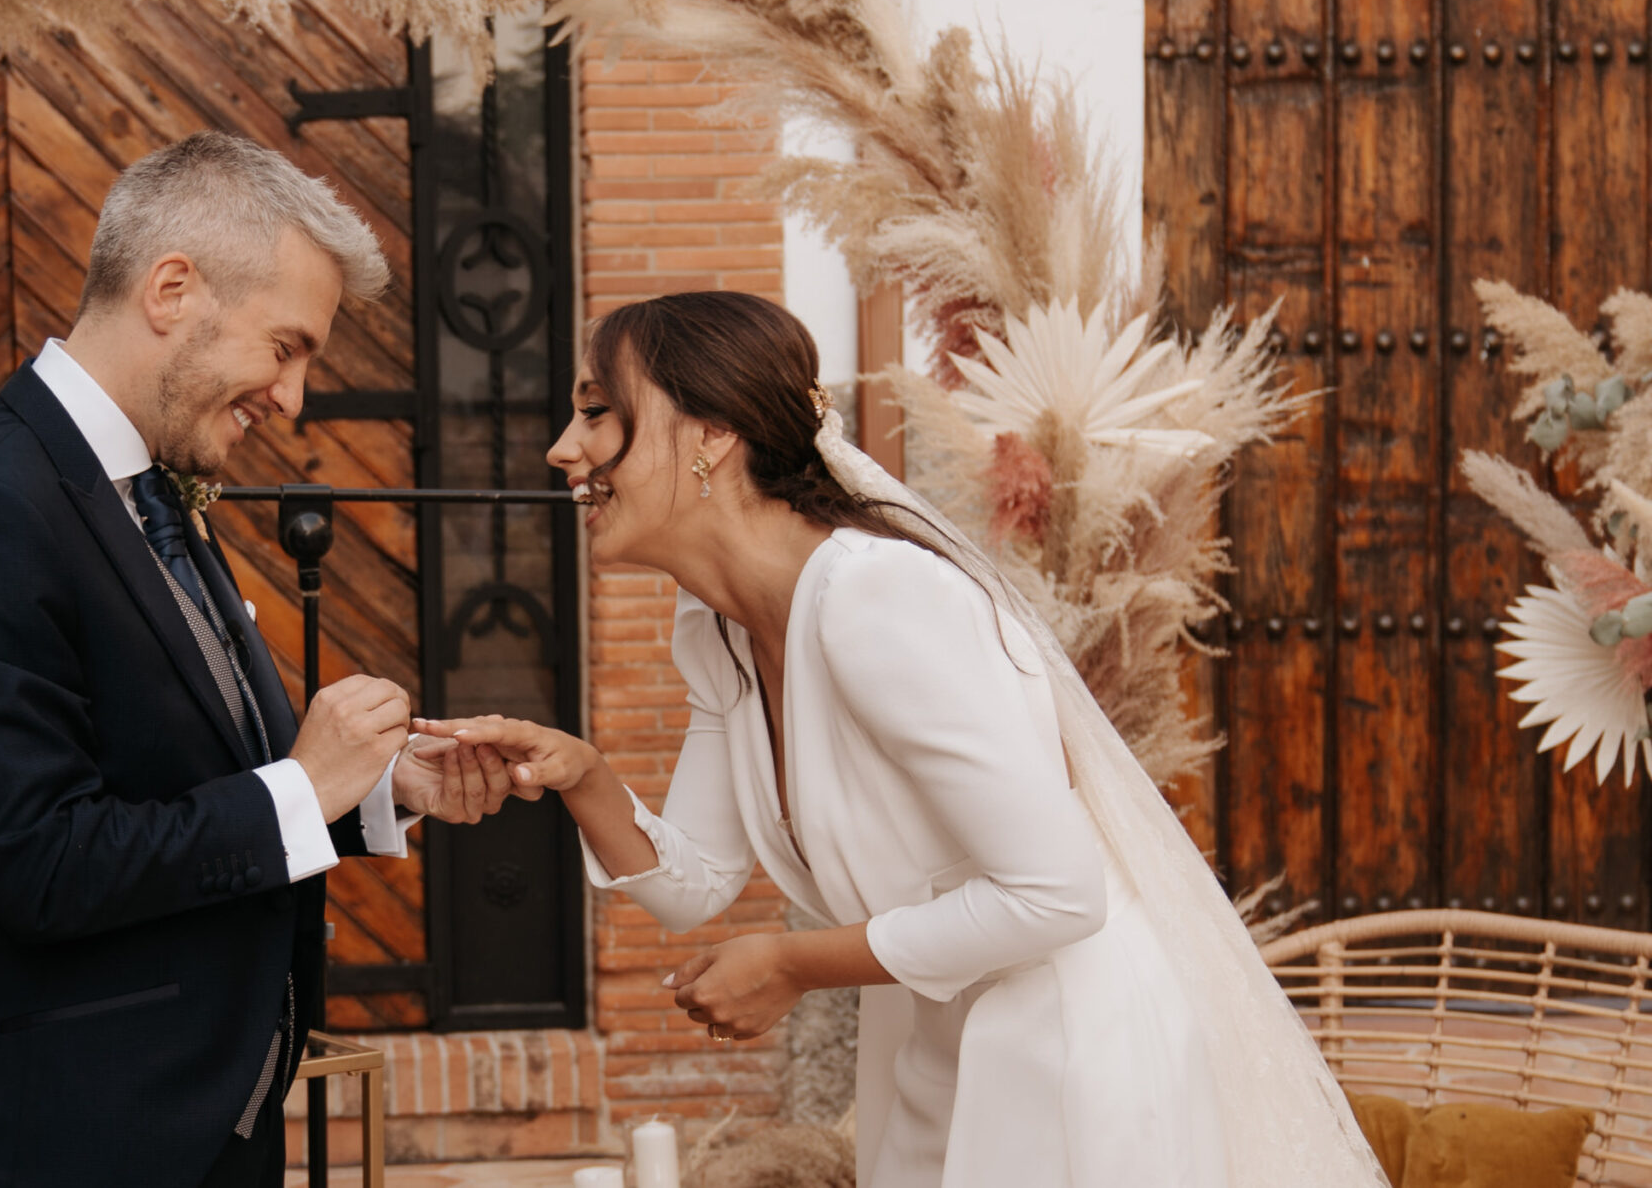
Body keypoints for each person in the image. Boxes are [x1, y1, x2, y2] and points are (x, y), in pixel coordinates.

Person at [424, 291, 1385, 1188]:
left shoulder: (877, 599)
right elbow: (693, 885)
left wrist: (796, 964)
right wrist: (581, 774)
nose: (562, 448)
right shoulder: (713, 623)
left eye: (596, 412)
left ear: (711, 435)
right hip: (932, 1032)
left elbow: (1057, 894)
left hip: (1064, 1037)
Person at [0, 133, 514, 1187]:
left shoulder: (149, 487)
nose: (294, 398)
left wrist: (376, 791)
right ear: (173, 290)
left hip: (201, 1122)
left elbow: (187, 783)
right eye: (287, 347)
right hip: (75, 1142)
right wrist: (305, 784)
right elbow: (41, 864)